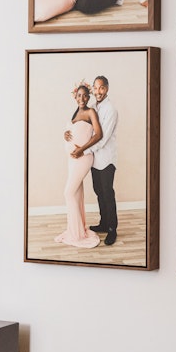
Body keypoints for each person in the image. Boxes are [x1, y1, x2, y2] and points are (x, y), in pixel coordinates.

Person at [70, 75, 119, 246]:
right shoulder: (92, 107)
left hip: (106, 159)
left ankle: (112, 229)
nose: (98, 91)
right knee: (99, 191)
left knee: (107, 193)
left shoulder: (110, 110)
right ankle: (104, 223)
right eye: (96, 88)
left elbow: (102, 138)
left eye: (102, 88)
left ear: (107, 89)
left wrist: (83, 151)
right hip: (94, 160)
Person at [56, 81, 103, 249]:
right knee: (76, 193)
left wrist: (82, 150)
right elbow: (75, 131)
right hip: (73, 159)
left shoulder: (91, 112)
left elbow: (98, 134)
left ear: (89, 97)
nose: (82, 98)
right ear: (75, 97)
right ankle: (77, 230)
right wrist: (66, 134)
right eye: (79, 96)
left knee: (68, 193)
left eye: (85, 96)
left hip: (83, 157)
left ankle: (76, 234)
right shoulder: (76, 112)